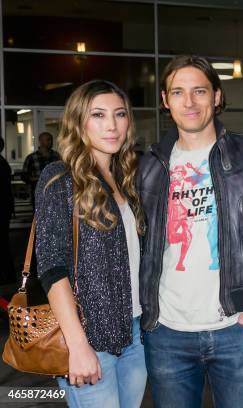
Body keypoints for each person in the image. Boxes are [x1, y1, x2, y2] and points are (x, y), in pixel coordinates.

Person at [138, 55, 243, 408]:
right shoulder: (148, 165)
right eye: (178, 92)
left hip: (237, 327)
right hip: (166, 333)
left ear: (217, 96)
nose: (189, 102)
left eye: (199, 91)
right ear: (165, 100)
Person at [35, 80, 147, 408]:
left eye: (120, 114)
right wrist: (78, 345)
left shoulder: (128, 179)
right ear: (78, 122)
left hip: (136, 335)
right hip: (89, 338)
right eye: (98, 115)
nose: (111, 125)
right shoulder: (60, 178)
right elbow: (52, 267)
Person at [22, 131, 60, 208]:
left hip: (56, 193)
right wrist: (39, 179)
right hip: (39, 193)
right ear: (41, 141)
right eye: (48, 139)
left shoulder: (57, 156)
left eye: (51, 140)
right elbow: (24, 176)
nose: (51, 142)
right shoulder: (31, 158)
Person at [0, 136, 15, 283]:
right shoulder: (3, 163)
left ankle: (7, 275)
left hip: (2, 208)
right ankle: (9, 275)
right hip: (5, 207)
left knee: (2, 243)